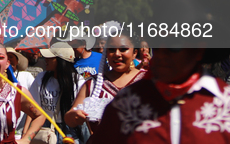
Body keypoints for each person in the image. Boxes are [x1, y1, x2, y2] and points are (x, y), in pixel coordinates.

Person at [88, 48, 230, 143]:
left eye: (173, 47)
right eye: (157, 46)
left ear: (198, 50)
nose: (161, 55)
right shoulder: (126, 103)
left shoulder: (225, 103)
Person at [64, 32, 146, 134]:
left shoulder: (147, 81)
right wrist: (75, 115)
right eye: (111, 49)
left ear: (134, 53)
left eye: (123, 49)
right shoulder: (92, 84)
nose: (117, 54)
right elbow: (69, 118)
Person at [27, 42, 87, 144]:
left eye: (50, 57)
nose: (45, 59)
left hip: (70, 130)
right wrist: (26, 134)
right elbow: (32, 107)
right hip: (45, 128)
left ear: (61, 61)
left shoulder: (78, 81)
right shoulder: (41, 78)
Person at [6, 47, 35, 139]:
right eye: (5, 57)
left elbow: (34, 103)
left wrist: (26, 132)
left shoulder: (26, 76)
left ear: (17, 61)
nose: (8, 60)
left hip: (20, 133)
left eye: (11, 57)